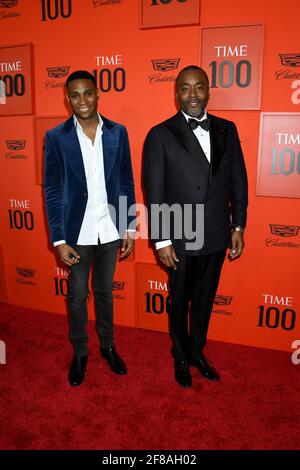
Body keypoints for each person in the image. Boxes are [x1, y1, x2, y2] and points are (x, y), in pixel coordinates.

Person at [143, 65, 248, 388]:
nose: (192, 95)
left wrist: (238, 226)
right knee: (179, 299)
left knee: (204, 298)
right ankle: (179, 354)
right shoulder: (160, 133)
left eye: (198, 88)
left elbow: (238, 181)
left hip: (216, 232)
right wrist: (161, 240)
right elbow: (154, 190)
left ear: (208, 91)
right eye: (185, 88)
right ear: (176, 93)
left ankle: (197, 351)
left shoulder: (227, 129)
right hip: (182, 231)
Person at [44, 70, 136, 387]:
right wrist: (58, 238)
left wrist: (130, 227)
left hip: (110, 230)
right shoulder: (56, 138)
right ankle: (81, 352)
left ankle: (108, 347)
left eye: (87, 93)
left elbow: (126, 181)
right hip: (77, 233)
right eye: (75, 95)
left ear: (98, 94)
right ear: (67, 99)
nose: (82, 100)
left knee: (105, 292)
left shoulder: (118, 132)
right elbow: (53, 191)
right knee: (77, 294)